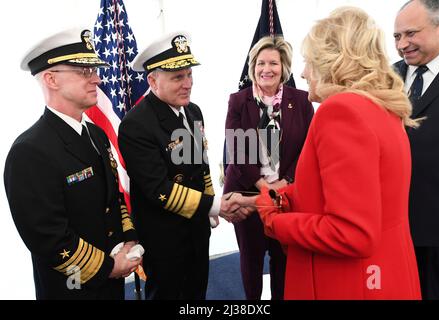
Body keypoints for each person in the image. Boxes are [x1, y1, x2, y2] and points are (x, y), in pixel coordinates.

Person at [222, 7, 422, 300]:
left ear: (332, 62)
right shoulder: (382, 108)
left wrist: (274, 220)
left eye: (308, 62)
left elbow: (351, 232)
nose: (302, 73)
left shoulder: (340, 111)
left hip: (349, 282)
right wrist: (261, 199)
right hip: (382, 275)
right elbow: (328, 192)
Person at [3, 28, 142, 300]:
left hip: (111, 280)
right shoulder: (29, 151)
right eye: (84, 71)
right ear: (51, 79)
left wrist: (129, 239)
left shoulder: (97, 135)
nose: (97, 78)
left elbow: (113, 199)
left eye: (94, 70)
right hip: (72, 287)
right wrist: (109, 267)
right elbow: (49, 238)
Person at [118, 31, 220, 300]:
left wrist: (208, 202)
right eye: (178, 77)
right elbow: (159, 188)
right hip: (165, 237)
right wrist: (214, 205)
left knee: (197, 291)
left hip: (196, 226)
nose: (187, 83)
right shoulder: (135, 125)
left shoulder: (193, 111)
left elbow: (201, 164)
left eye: (189, 75)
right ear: (152, 80)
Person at [223, 36, 314, 300]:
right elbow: (236, 149)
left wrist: (284, 183)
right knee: (251, 260)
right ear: (252, 67)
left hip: (288, 192)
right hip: (247, 192)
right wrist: (265, 188)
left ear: (284, 67)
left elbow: (310, 146)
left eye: (273, 62)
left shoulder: (302, 100)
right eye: (260, 63)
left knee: (282, 257)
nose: (267, 69)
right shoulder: (238, 101)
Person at [393, 0, 439, 300]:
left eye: (411, 34)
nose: (403, 44)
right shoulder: (389, 77)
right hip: (397, 232)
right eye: (397, 37)